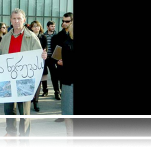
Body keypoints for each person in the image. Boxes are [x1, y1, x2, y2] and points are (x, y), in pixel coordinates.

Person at [0, 8, 47, 147]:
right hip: (8, 81)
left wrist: (43, 56)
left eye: (19, 18)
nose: (16, 21)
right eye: (14, 18)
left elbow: (39, 59)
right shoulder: (5, 38)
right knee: (9, 111)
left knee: (24, 113)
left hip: (25, 82)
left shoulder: (32, 37)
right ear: (10, 20)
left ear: (24, 20)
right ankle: (11, 136)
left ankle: (24, 139)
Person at [30, 20, 48, 112]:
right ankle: (30, 98)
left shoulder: (43, 37)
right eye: (34, 26)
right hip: (29, 62)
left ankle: (36, 101)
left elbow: (45, 49)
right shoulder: (28, 37)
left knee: (38, 82)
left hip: (40, 62)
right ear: (31, 28)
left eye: (38, 26)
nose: (36, 28)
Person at [44, 21, 61, 100]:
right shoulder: (43, 35)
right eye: (51, 26)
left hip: (53, 58)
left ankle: (57, 92)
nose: (53, 28)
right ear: (47, 27)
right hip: (44, 58)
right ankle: (45, 90)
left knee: (54, 76)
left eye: (54, 26)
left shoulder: (57, 36)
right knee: (43, 75)